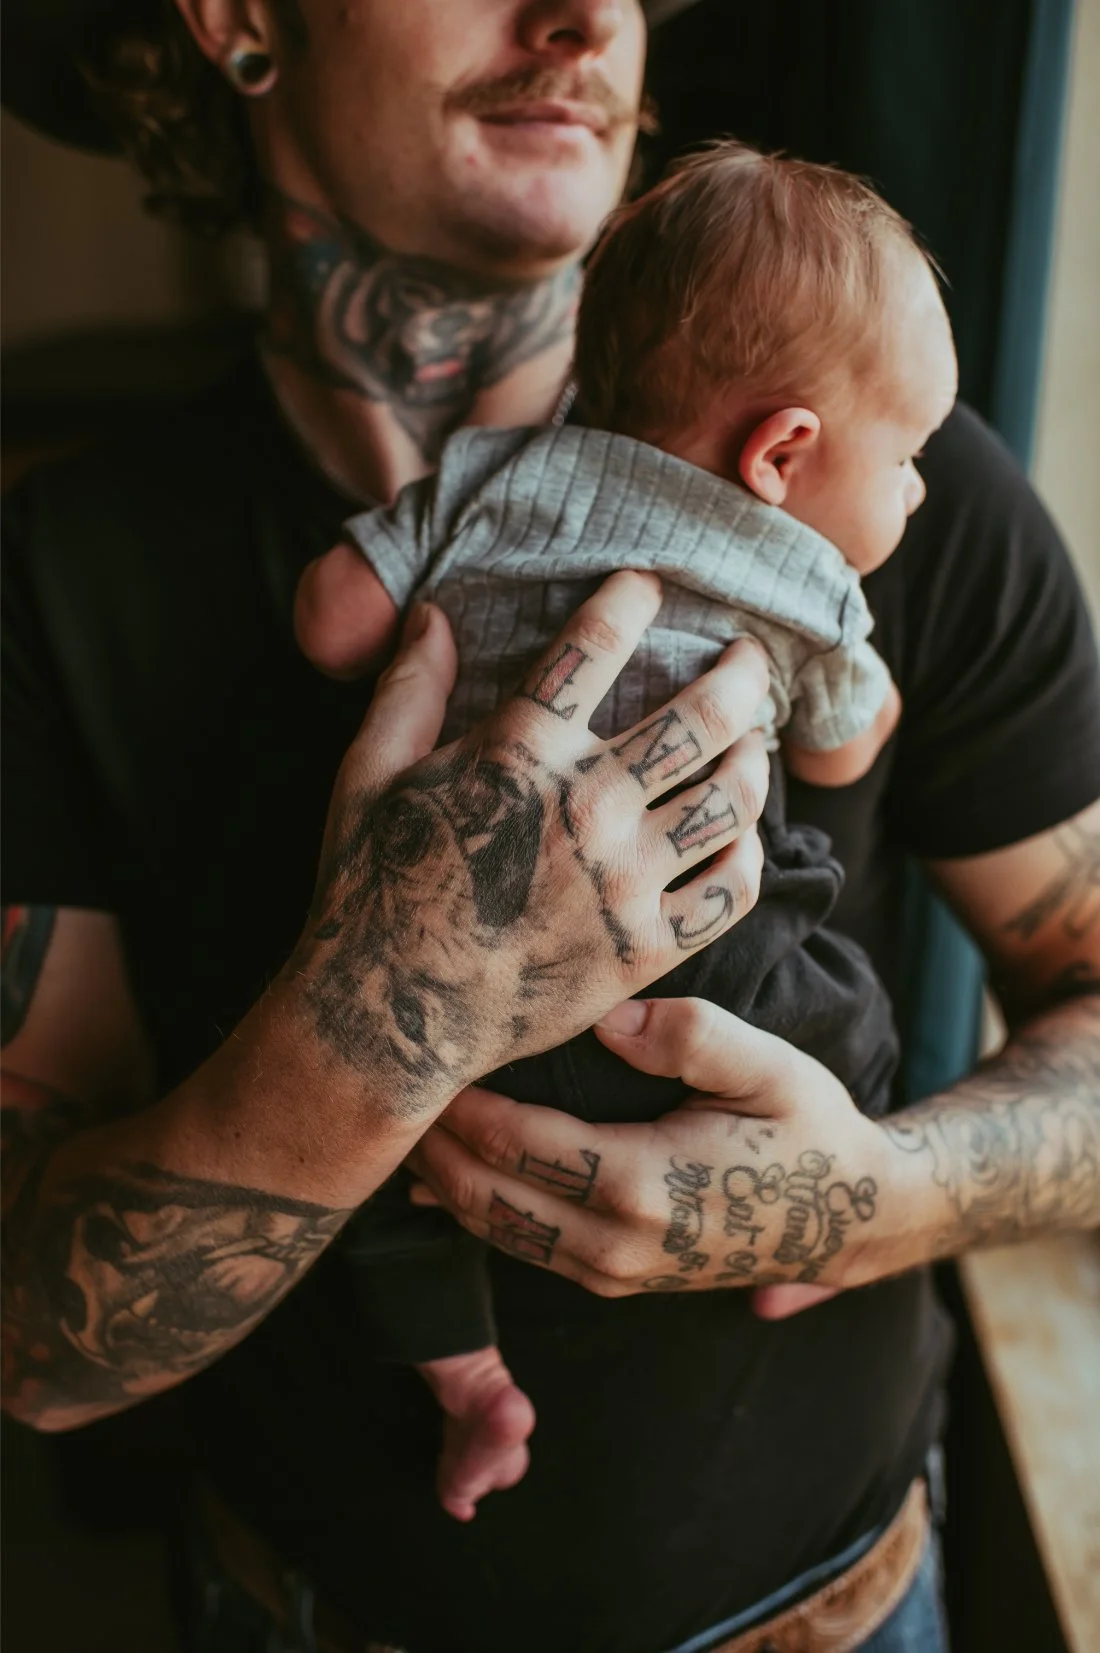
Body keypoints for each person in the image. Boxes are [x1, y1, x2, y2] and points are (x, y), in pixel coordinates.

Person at [1, 3, 1097, 1652]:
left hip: (840, 1606)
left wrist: (874, 1199)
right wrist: (380, 1017)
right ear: (238, 20)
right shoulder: (63, 577)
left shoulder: (888, 480)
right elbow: (30, 1346)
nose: (587, 16)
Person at [295, 139, 950, 1521]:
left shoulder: (494, 471)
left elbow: (331, 622)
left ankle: (472, 1385)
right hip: (691, 962)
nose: (921, 495)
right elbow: (843, 746)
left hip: (431, 962)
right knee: (847, 1017)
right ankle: (820, 1226)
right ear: (784, 453)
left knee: (387, 1174)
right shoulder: (808, 578)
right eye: (913, 459)